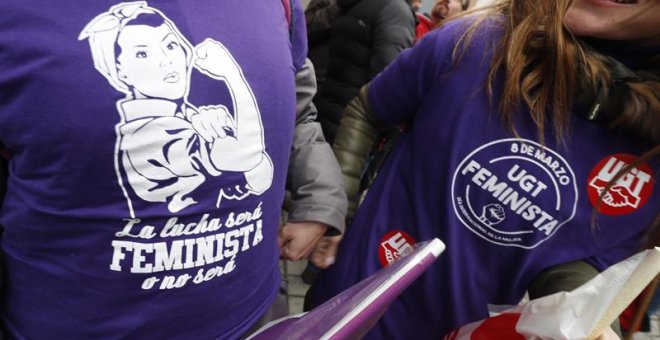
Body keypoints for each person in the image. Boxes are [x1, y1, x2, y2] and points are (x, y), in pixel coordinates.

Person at [311, 0, 659, 338]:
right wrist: (336, 211)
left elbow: (583, 263)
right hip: (344, 308)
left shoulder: (651, 152)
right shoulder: (474, 40)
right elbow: (370, 108)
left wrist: (580, 320)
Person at [0, 0, 344, 338]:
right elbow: (246, 155)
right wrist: (232, 78)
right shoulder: (147, 131)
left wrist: (320, 198)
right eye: (141, 54)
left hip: (259, 315)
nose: (167, 61)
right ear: (119, 71)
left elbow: (282, 136)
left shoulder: (278, 10)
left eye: (170, 45)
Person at [314, 0, 416, 144]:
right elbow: (387, 90)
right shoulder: (395, 11)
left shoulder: (362, 4)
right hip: (352, 131)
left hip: (327, 114)